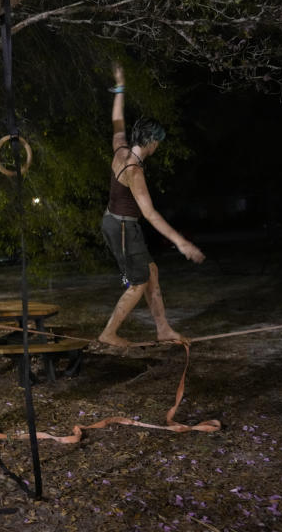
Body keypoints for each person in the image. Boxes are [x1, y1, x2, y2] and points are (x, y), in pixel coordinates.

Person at [97, 62, 205, 348]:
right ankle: (109, 333)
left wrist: (120, 87)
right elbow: (150, 214)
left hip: (116, 223)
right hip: (122, 227)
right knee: (138, 283)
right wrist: (181, 243)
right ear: (150, 141)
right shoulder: (135, 172)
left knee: (151, 272)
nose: (158, 146)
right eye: (157, 142)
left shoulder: (120, 149)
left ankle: (163, 329)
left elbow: (117, 121)